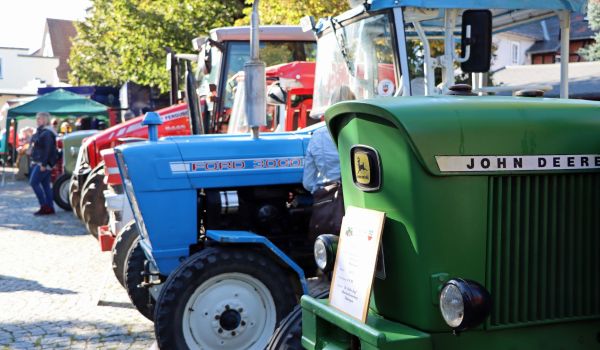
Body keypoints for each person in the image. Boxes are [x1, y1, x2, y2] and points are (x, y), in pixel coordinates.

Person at [302, 85, 356, 238]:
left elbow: (307, 183)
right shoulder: (360, 133)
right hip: (358, 199)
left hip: (327, 202)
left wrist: (325, 188)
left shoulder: (317, 136)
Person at [29, 112, 58, 215]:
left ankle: (44, 206)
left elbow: (48, 150)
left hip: (43, 163)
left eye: (39, 119)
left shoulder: (47, 133)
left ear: (45, 120)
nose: (37, 121)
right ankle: (50, 208)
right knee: (46, 186)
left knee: (33, 183)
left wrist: (44, 164)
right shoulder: (43, 132)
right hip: (42, 162)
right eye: (37, 119)